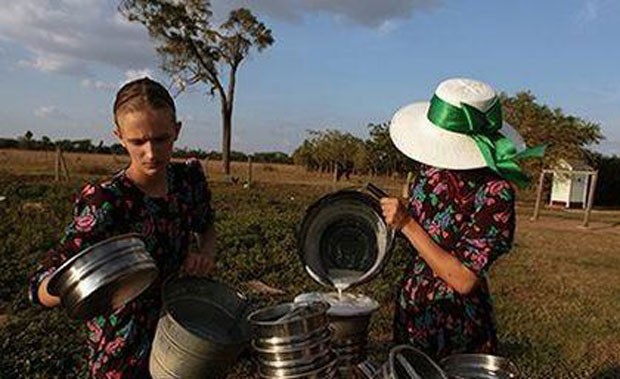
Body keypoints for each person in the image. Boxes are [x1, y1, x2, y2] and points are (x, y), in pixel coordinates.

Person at [29, 77, 217, 378]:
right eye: (138, 142)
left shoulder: (188, 180)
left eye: (161, 139)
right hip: (122, 345)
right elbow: (45, 282)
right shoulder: (106, 200)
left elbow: (206, 227)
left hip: (179, 329)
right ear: (119, 136)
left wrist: (204, 254)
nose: (151, 153)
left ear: (177, 131)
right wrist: (82, 288)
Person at [379, 78, 544, 360]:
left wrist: (407, 223)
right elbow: (427, 228)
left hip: (457, 327)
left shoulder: (494, 193)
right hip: (414, 311)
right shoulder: (429, 171)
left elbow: (464, 279)